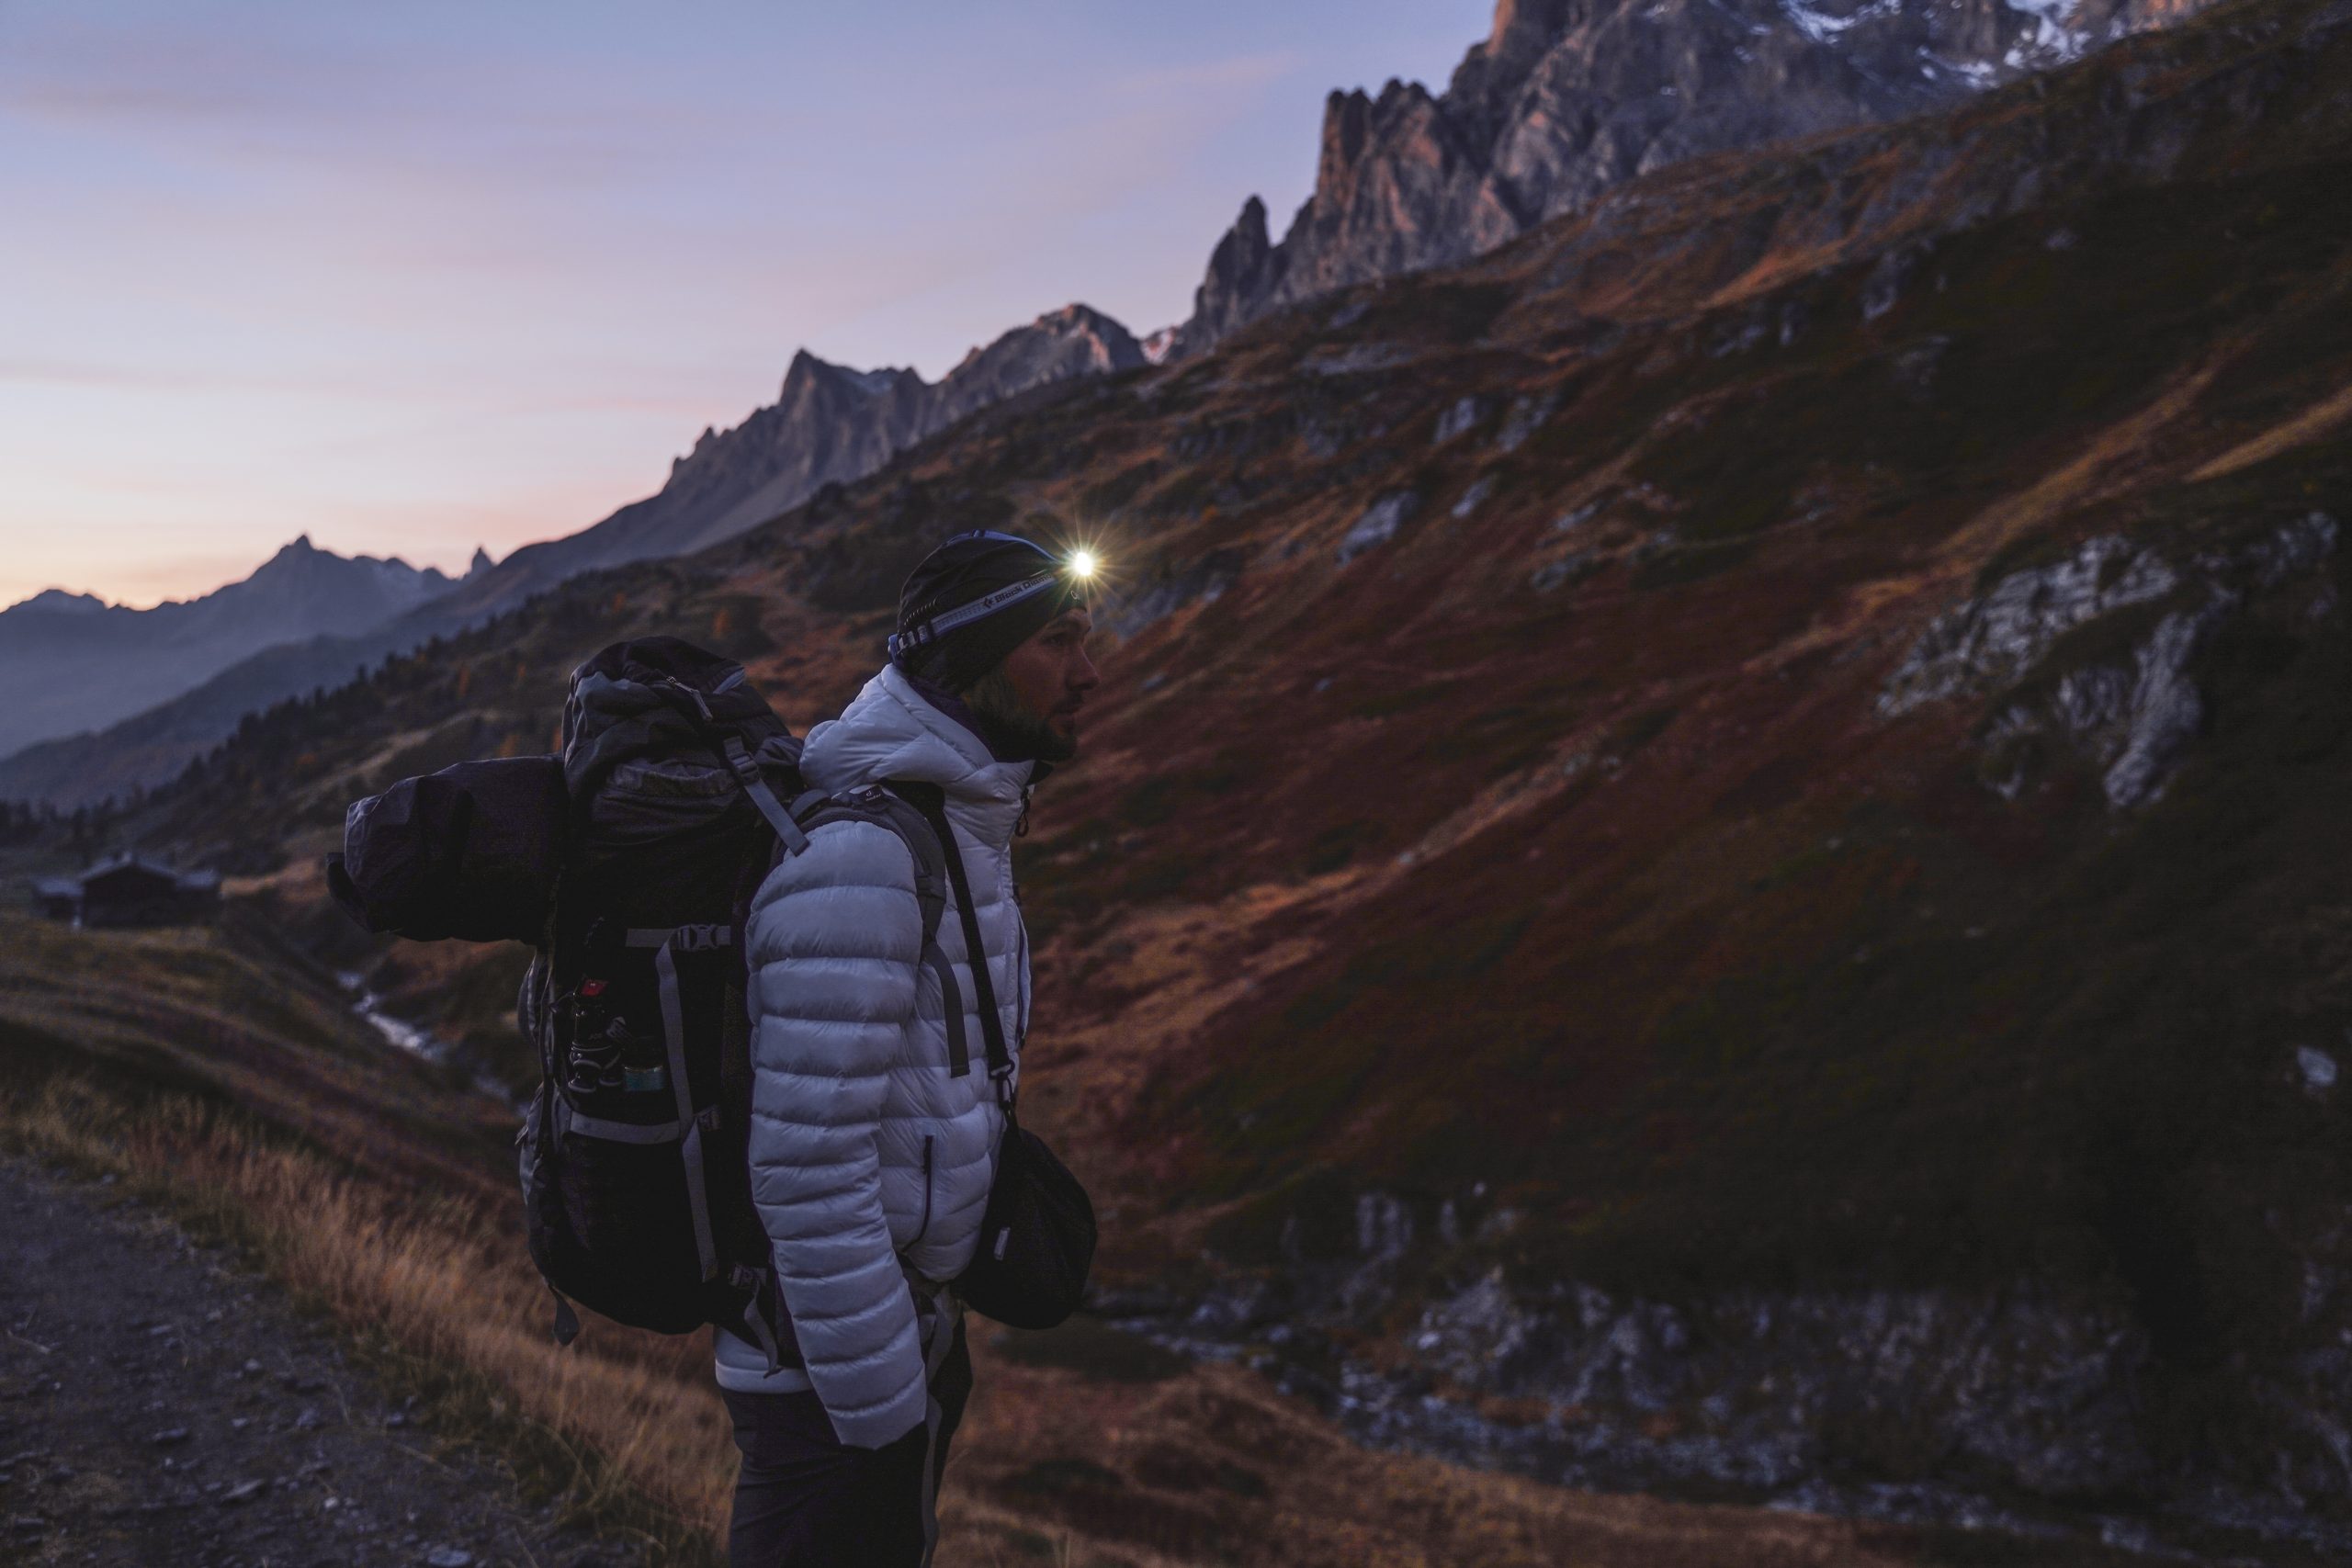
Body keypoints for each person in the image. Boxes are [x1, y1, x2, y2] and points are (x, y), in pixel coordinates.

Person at [712, 530, 1101, 1566]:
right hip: (829, 1377)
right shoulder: (865, 856)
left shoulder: (955, 820)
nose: (1088, 670)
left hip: (888, 1337)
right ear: (971, 659)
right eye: (1059, 641)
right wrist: (883, 1411)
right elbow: (803, 1162)